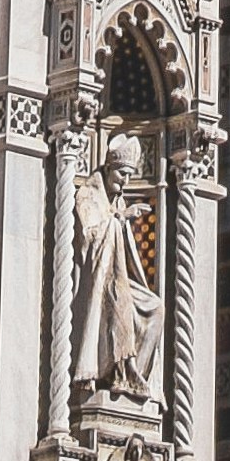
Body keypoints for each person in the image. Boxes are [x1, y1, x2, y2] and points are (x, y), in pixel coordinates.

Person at [70, 121, 161, 409]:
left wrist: (122, 216)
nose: (124, 180)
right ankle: (118, 370)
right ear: (109, 168)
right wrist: (121, 219)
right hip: (94, 286)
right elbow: (90, 237)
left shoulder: (116, 202)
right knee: (119, 294)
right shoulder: (88, 194)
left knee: (156, 307)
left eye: (130, 175)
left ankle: (133, 372)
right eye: (122, 173)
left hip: (117, 281)